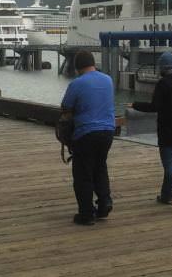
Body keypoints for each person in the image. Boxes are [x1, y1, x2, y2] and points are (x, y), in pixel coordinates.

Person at [131, 52, 172, 212]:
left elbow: (155, 106)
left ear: (163, 68)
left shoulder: (163, 84)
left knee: (168, 166)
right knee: (170, 163)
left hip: (167, 131)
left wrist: (135, 105)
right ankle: (166, 195)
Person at [61, 50, 116, 225]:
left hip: (86, 133)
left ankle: (86, 213)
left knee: (83, 173)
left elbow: (66, 108)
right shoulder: (108, 80)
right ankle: (104, 204)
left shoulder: (77, 84)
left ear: (77, 67)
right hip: (108, 131)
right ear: (93, 63)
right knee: (100, 166)